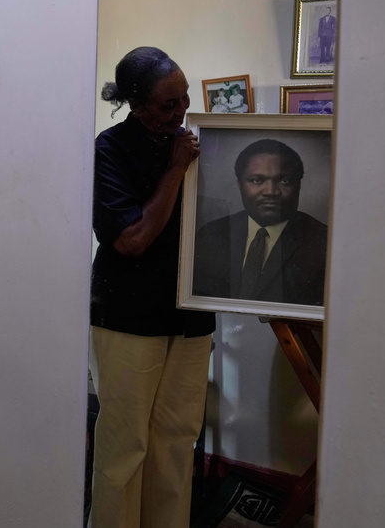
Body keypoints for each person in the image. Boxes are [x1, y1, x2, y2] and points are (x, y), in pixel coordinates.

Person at [89, 46, 215, 528]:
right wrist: (176, 169)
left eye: (184, 98)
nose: (180, 110)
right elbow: (133, 239)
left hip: (191, 314)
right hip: (128, 314)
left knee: (176, 442)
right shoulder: (109, 149)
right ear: (137, 106)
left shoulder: (198, 143)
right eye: (167, 104)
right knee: (125, 446)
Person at [192, 139, 328, 305]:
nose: (270, 192)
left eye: (284, 181)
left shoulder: (325, 242)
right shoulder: (211, 234)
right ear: (240, 185)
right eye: (257, 180)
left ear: (298, 185)